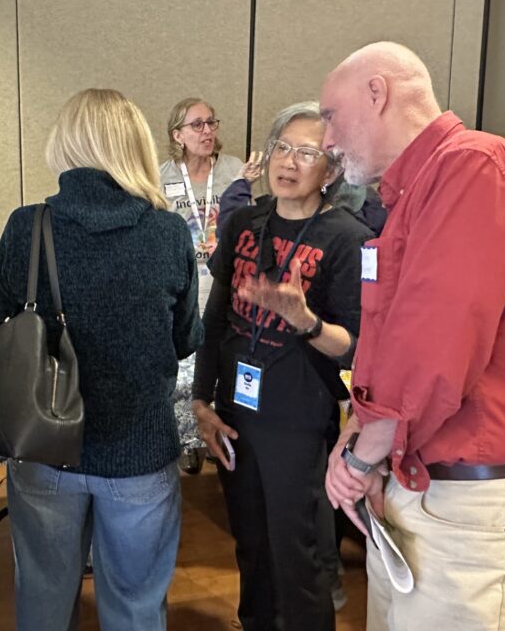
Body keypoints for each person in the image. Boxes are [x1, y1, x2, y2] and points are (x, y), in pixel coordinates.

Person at [316, 43, 505, 631]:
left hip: (482, 508)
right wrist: (363, 439)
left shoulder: (473, 167)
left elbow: (434, 355)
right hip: (433, 495)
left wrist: (361, 457)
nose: (327, 140)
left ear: (377, 93)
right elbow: (398, 345)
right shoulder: (419, 192)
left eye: (330, 116)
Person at [0, 88, 202, 631]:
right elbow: (183, 339)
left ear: (65, 143)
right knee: (135, 603)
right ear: (136, 147)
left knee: (42, 594)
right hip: (139, 450)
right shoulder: (168, 232)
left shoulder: (26, 227)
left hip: (45, 444)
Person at [192, 101, 373, 631]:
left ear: (333, 169)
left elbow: (357, 347)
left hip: (297, 418)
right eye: (282, 148)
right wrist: (203, 400)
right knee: (249, 545)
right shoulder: (247, 221)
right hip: (235, 411)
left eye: (307, 153)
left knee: (296, 554)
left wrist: (306, 320)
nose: (288, 162)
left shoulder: (347, 238)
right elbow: (217, 314)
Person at [159, 97, 244, 311]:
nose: (207, 131)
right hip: (180, 277)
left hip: (224, 276)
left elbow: (246, 225)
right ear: (178, 135)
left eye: (210, 122)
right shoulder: (160, 177)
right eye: (197, 125)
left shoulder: (234, 169)